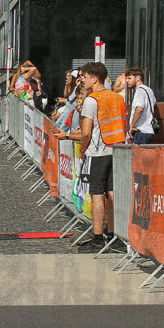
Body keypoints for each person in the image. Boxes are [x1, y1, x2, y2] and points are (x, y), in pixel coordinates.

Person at [53, 62, 125, 253]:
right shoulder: (117, 98)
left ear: (95, 78)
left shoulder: (91, 101)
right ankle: (115, 236)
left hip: (97, 152)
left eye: (83, 76)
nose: (81, 80)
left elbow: (86, 133)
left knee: (97, 194)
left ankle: (98, 238)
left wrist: (69, 137)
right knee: (111, 195)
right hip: (117, 150)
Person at [126, 67, 157, 144]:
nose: (127, 81)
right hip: (148, 131)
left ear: (137, 78)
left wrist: (132, 126)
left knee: (137, 155)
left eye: (129, 78)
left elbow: (139, 109)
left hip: (141, 131)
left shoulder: (140, 90)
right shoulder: (149, 90)